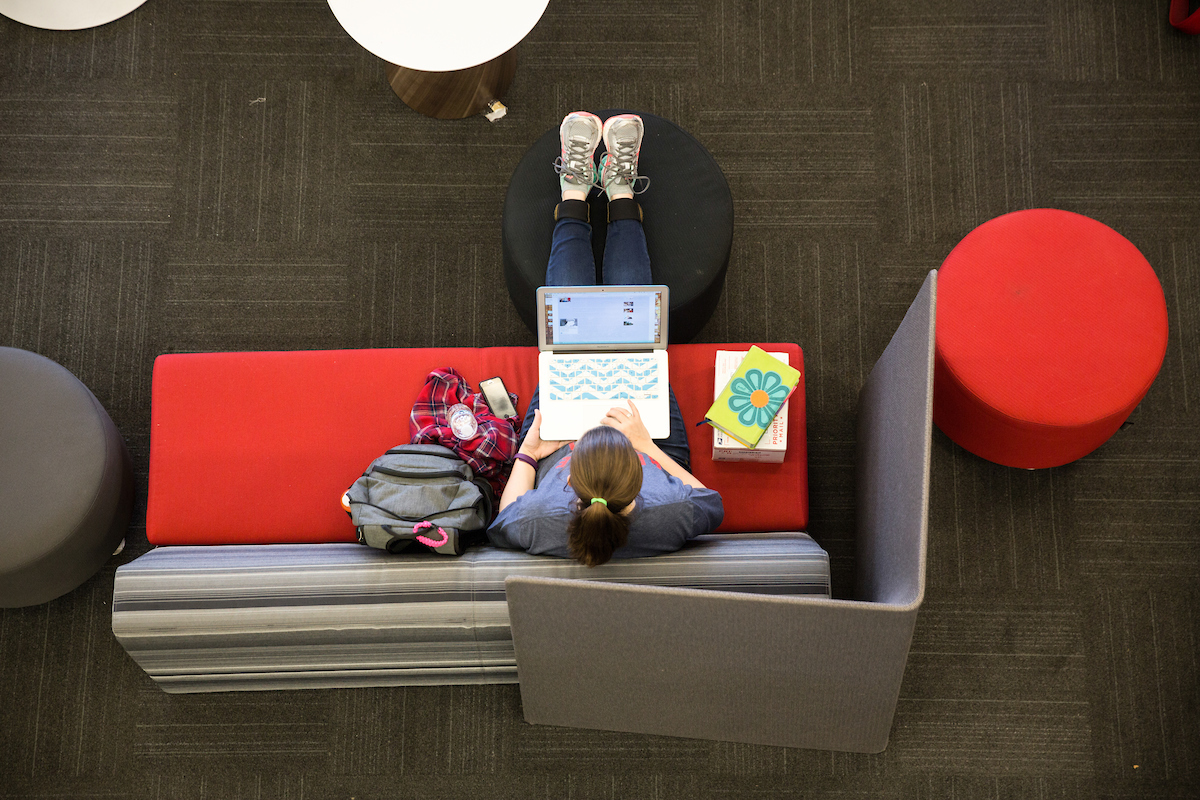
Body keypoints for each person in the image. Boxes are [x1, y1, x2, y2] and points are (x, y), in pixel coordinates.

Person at [486, 112, 723, 566]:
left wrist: (531, 455)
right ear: (639, 483)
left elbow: (506, 519)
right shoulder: (669, 513)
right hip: (649, 441)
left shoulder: (541, 519)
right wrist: (647, 445)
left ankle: (574, 191)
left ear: (568, 485)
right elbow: (710, 501)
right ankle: (619, 189)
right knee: (635, 334)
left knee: (566, 337)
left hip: (553, 443)